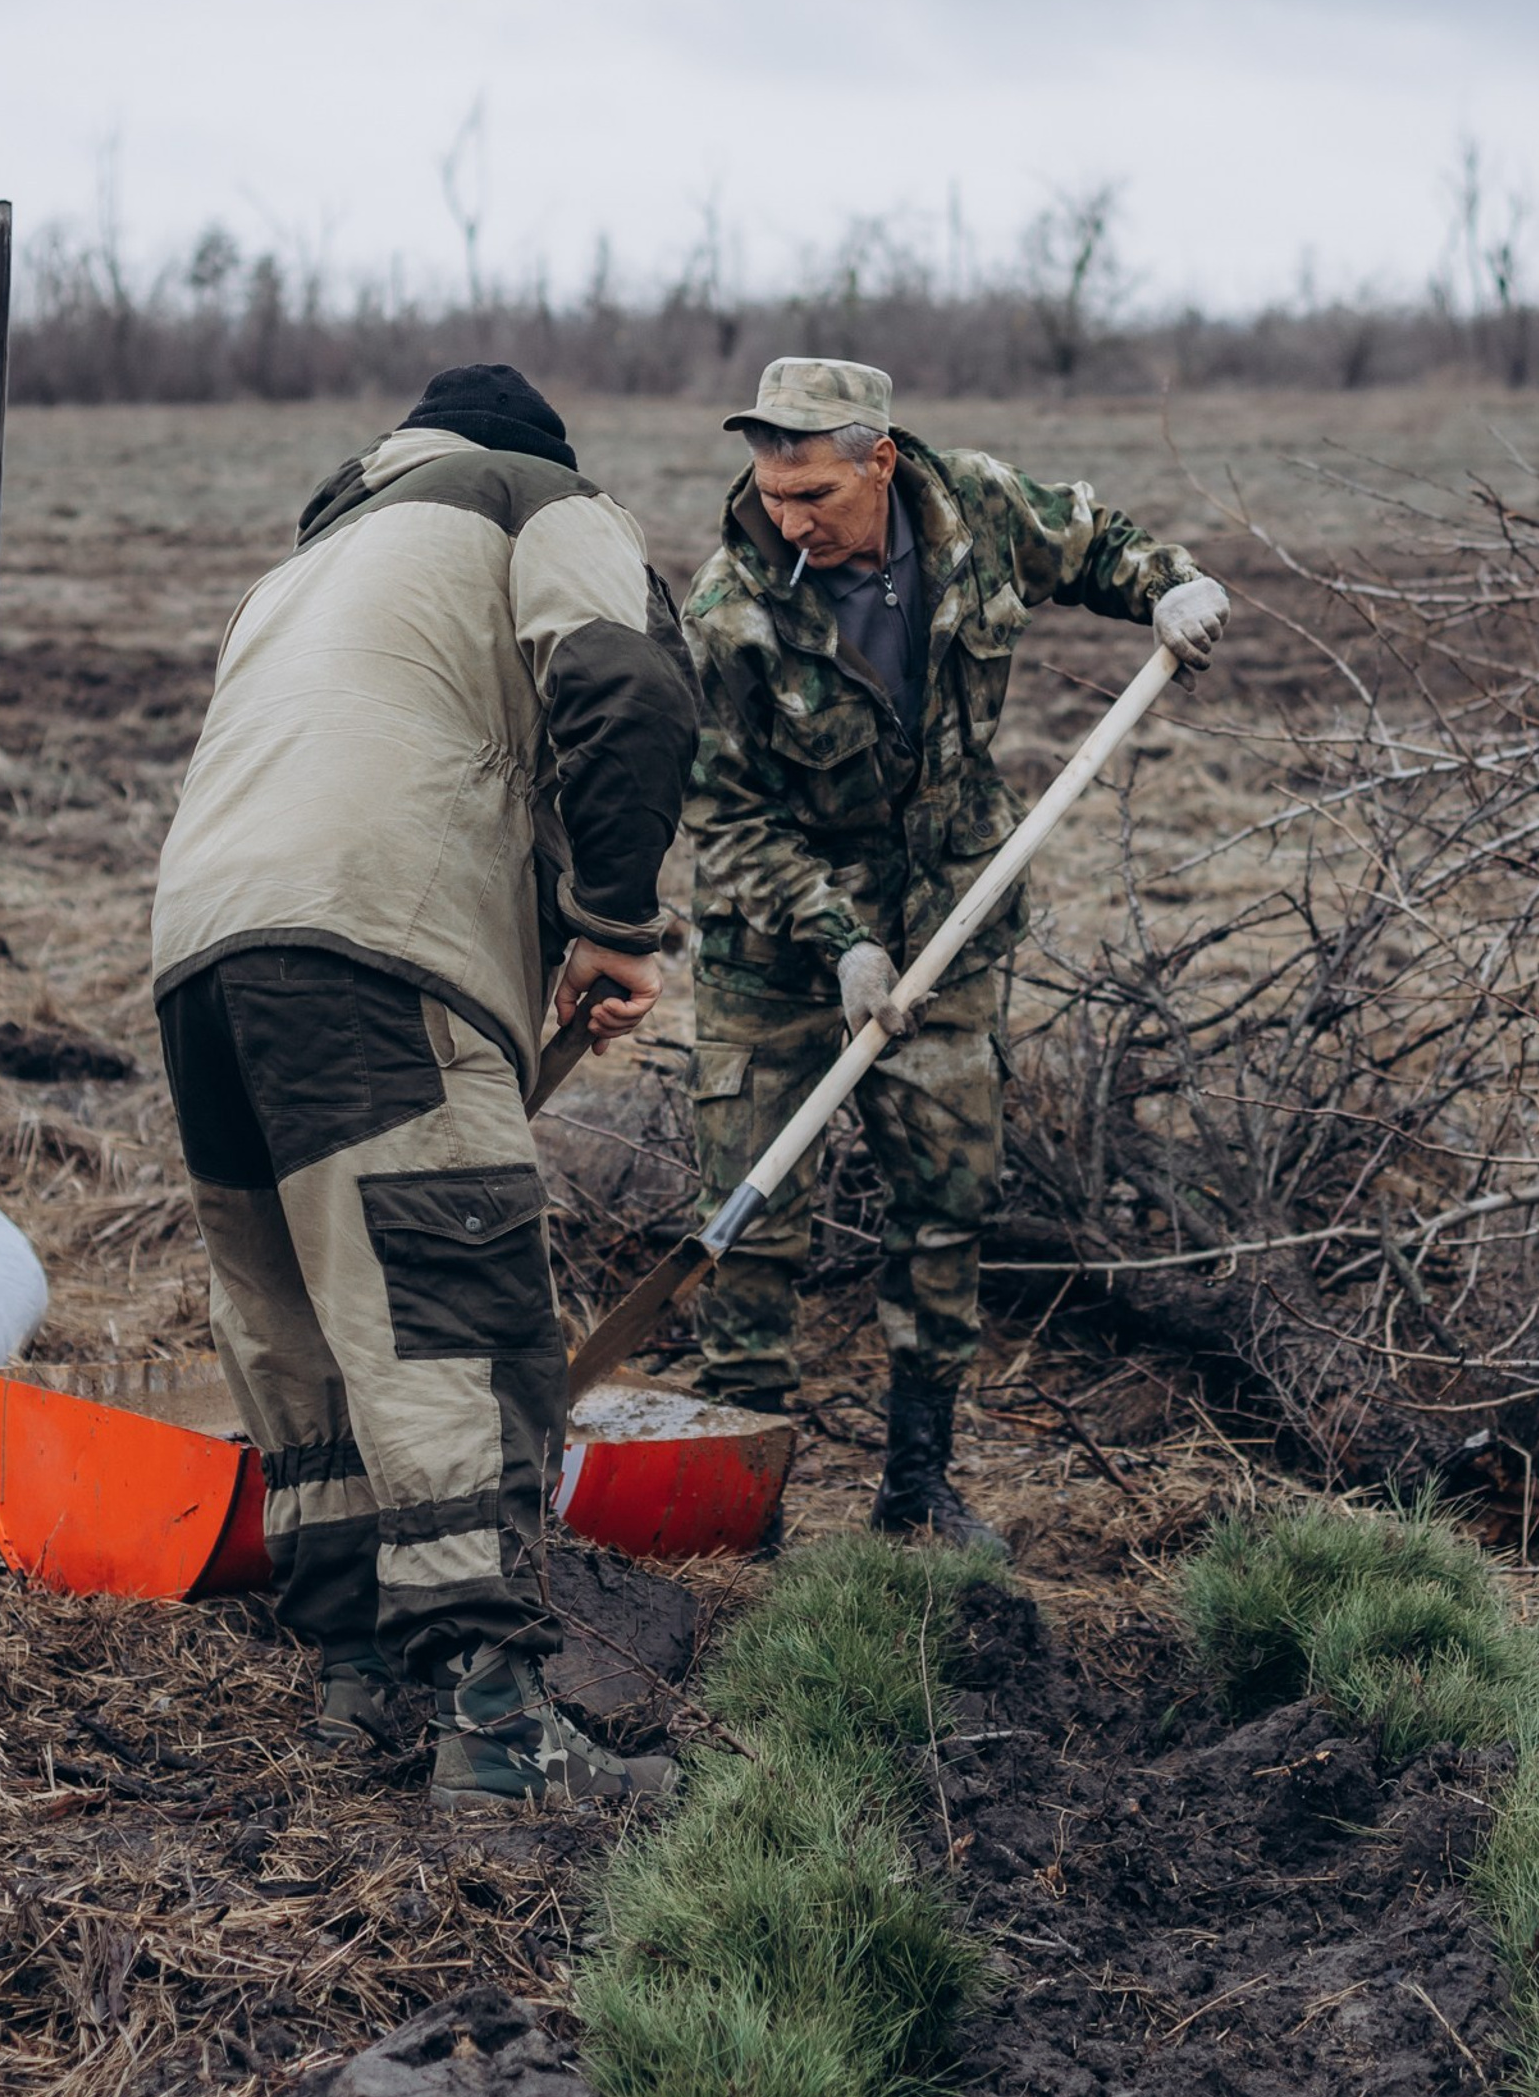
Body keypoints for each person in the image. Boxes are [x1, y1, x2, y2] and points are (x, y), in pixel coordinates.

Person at [149, 363, 698, 1807]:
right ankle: (501, 1731)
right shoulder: (537, 498)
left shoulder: (310, 564)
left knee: (302, 1321)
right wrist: (618, 922)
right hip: (371, 941)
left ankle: (356, 1677)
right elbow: (623, 683)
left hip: (204, 955)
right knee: (451, 1312)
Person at [679, 356, 1228, 1551]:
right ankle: (739, 1514)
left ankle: (916, 1490)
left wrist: (1170, 586)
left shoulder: (973, 507)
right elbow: (724, 816)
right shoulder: (729, 611)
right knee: (750, 1231)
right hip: (774, 955)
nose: (790, 520)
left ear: (880, 460)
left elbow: (1094, 542)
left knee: (945, 1205)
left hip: (948, 919)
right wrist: (839, 942)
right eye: (772, 495)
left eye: (815, 494)